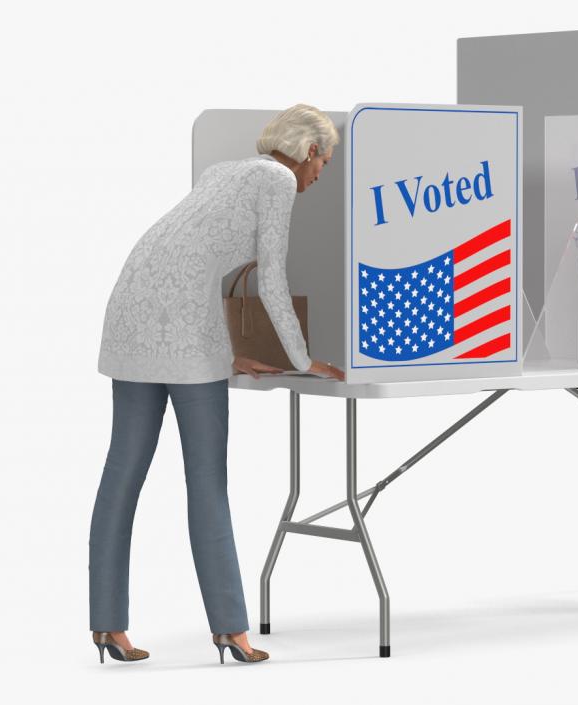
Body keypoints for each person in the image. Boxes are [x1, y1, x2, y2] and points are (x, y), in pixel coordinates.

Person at [90, 104, 345, 665]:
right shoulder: (278, 180)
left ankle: (107, 624)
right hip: (182, 330)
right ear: (307, 153)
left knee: (122, 472)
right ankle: (231, 628)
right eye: (323, 164)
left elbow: (185, 260)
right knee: (206, 478)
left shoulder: (224, 172)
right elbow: (272, 276)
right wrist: (304, 360)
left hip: (127, 313)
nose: (319, 176)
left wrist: (230, 352)